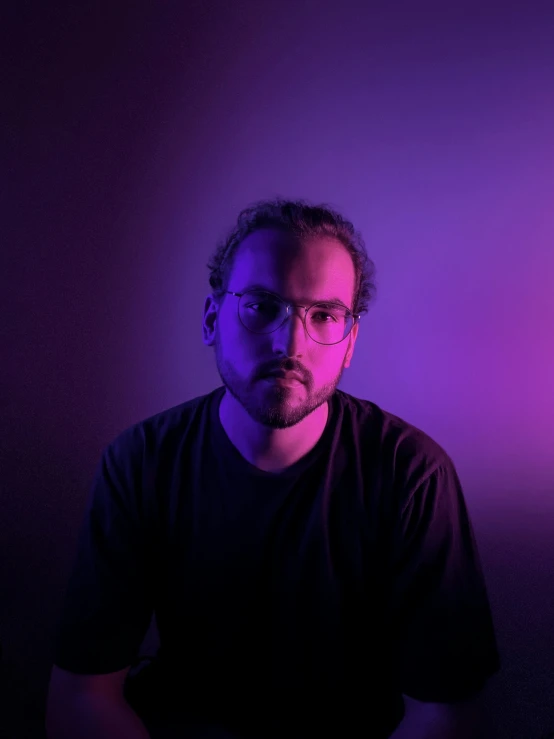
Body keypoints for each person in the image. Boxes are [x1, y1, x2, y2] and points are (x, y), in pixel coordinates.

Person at [46, 199, 500, 739]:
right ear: (213, 319)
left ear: (350, 341)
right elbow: (82, 697)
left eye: (324, 316)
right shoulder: (140, 462)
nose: (290, 343)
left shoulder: (412, 476)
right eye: (262, 306)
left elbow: (445, 714)